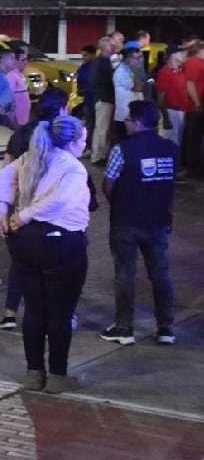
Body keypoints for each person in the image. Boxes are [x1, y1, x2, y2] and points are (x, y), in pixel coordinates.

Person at [0, 115, 90, 393]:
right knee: (60, 311)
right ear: (71, 141)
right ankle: (57, 375)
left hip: (26, 243)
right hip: (62, 243)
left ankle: (34, 372)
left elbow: (1, 181)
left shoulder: (30, 158)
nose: (85, 143)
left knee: (34, 308)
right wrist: (23, 215)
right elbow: (60, 200)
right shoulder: (72, 168)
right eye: (83, 138)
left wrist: (2, 214)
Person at [0, 88, 79, 330]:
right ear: (62, 109)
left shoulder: (21, 133)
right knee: (57, 268)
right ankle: (59, 315)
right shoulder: (60, 137)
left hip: (23, 210)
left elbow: (5, 173)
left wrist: (5, 210)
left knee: (21, 264)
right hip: (51, 216)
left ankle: (10, 313)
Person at [99, 100, 177, 346]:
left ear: (138, 122)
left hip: (127, 220)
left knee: (125, 274)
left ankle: (124, 327)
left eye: (130, 119)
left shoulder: (122, 149)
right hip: (159, 220)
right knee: (160, 274)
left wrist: (122, 201)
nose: (127, 123)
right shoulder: (171, 148)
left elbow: (108, 184)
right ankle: (165, 327)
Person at [155, 44, 189, 151]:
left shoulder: (180, 71)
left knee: (176, 143)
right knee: (168, 144)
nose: (185, 55)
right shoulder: (165, 72)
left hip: (181, 112)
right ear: (173, 55)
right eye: (182, 53)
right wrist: (166, 118)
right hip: (170, 112)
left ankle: (175, 166)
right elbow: (160, 98)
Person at [90, 38, 117, 164]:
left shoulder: (102, 62)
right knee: (102, 128)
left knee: (103, 128)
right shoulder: (102, 63)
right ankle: (97, 156)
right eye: (111, 45)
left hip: (105, 98)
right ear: (104, 47)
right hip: (104, 99)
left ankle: (101, 154)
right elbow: (101, 81)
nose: (113, 47)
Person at [112, 47, 144, 143]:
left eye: (140, 57)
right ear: (127, 59)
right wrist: (135, 71)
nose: (139, 61)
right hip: (125, 117)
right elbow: (138, 88)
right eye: (136, 58)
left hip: (133, 116)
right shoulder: (121, 72)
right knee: (126, 145)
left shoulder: (130, 71)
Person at [182, 42, 204, 174]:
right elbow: (190, 84)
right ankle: (191, 167)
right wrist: (197, 104)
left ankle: (193, 166)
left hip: (198, 107)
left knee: (195, 137)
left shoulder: (199, 63)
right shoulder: (194, 63)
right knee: (193, 138)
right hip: (195, 108)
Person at [75, 45, 98, 136]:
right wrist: (79, 89)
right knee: (89, 123)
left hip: (97, 100)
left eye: (85, 55)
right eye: (82, 55)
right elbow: (79, 80)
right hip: (87, 100)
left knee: (96, 124)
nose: (83, 58)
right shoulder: (83, 67)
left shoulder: (97, 67)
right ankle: (87, 144)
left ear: (93, 55)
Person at [9, 48, 32, 129]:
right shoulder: (11, 75)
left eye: (26, 60)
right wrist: (13, 118)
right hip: (17, 120)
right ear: (15, 61)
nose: (26, 62)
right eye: (23, 60)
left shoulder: (20, 74)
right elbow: (9, 98)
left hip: (23, 118)